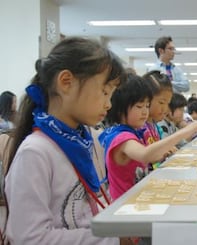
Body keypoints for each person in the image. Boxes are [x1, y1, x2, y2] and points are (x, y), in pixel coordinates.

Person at [4, 37, 125, 244]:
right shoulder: (35, 152)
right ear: (66, 82)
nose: (108, 104)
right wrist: (112, 238)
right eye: (104, 92)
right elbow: (30, 238)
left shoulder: (86, 141)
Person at [99, 74, 197, 201]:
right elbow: (145, 155)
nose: (145, 111)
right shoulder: (121, 136)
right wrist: (185, 132)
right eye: (139, 106)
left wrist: (163, 152)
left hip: (140, 198)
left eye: (147, 105)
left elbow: (151, 158)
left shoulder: (136, 132)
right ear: (119, 108)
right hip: (125, 205)